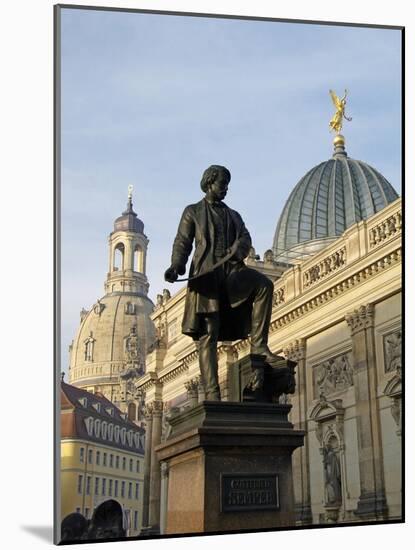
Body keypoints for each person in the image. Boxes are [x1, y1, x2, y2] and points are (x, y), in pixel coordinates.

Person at [165, 165, 283, 401]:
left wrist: (237, 249)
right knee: (209, 331)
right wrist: (176, 266)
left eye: (228, 185)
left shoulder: (233, 215)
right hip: (207, 275)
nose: (226, 189)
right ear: (209, 183)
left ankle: (259, 346)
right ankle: (212, 392)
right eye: (222, 184)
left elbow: (246, 238)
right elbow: (182, 243)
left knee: (264, 286)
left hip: (231, 271)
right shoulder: (193, 212)